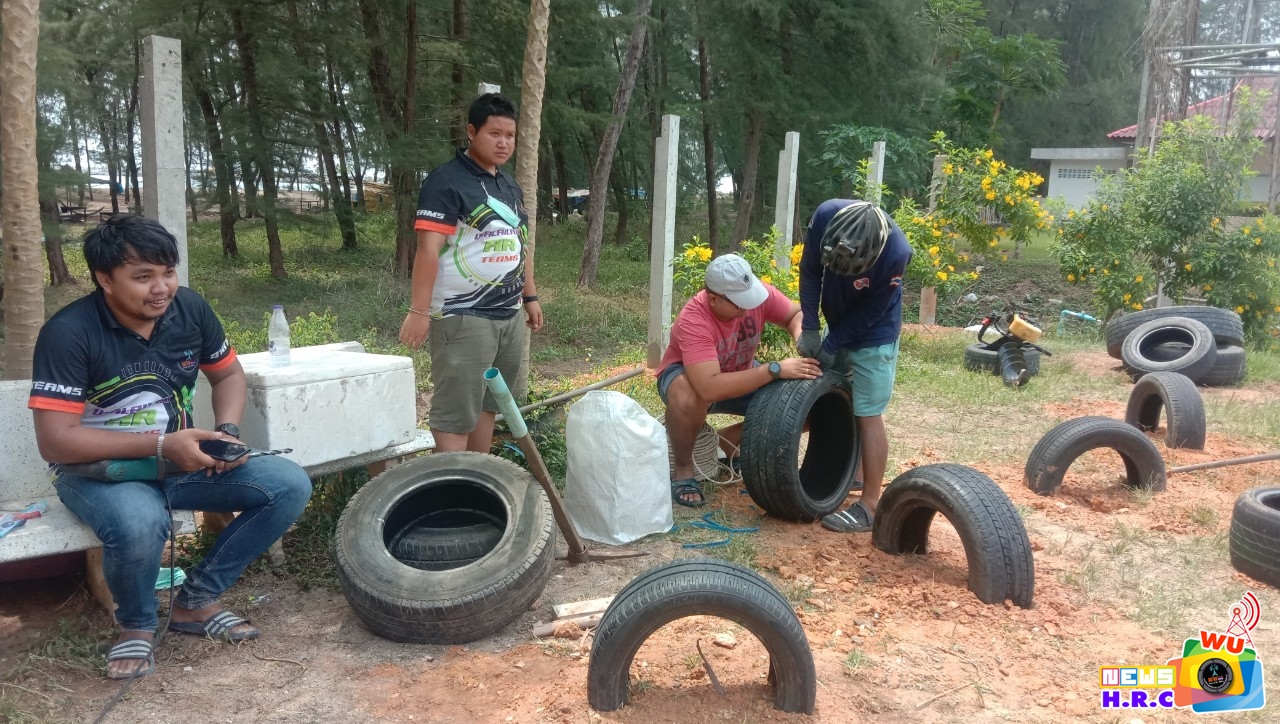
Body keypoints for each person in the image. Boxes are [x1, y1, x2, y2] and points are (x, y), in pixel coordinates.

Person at [28, 215, 313, 679]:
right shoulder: (70, 332)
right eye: (143, 277)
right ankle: (137, 624)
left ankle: (195, 601)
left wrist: (226, 432)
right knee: (142, 521)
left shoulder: (189, 310)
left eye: (168, 272)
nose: (161, 288)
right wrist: (162, 444)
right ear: (105, 279)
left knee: (287, 484)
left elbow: (227, 374)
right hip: (100, 473)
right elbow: (55, 441)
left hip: (184, 459)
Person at [399, 93, 542, 453]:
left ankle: (478, 477)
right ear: (471, 131)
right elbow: (428, 250)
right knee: (456, 412)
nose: (503, 143)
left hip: (508, 315)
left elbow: (519, 244)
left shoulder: (508, 184)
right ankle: (451, 483)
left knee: (489, 403)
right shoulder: (446, 181)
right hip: (463, 314)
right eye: (494, 134)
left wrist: (529, 295)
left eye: (510, 135)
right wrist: (418, 311)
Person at [657, 253, 821, 507]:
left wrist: (802, 337)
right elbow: (709, 388)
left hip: (740, 371)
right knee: (687, 396)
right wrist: (774, 369)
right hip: (692, 378)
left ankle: (728, 439)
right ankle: (683, 470)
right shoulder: (694, 319)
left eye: (749, 297)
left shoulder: (753, 295)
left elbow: (793, 315)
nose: (747, 308)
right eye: (739, 304)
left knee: (808, 406)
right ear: (713, 299)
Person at [797, 199, 913, 533]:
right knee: (834, 398)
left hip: (875, 333)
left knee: (867, 411)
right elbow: (810, 270)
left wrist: (833, 343)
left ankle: (871, 505)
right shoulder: (825, 215)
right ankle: (854, 473)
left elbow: (873, 310)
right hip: (836, 318)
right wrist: (810, 327)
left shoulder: (896, 253)